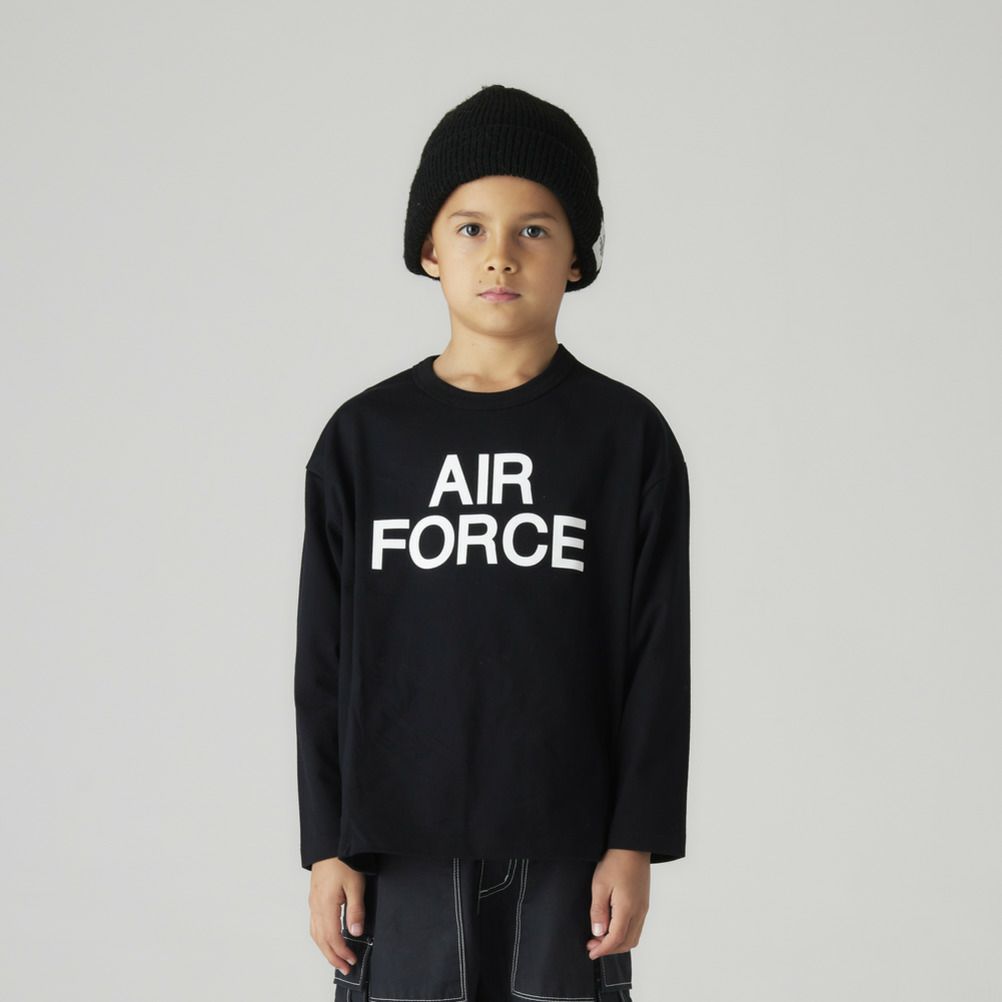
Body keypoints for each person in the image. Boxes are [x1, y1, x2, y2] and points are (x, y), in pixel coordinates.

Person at [294, 83, 691, 1002]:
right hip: (396, 846)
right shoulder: (365, 439)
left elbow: (656, 655)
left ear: (577, 258)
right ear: (429, 249)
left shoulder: (624, 438)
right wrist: (325, 844)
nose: (501, 254)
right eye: (471, 227)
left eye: (534, 230)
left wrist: (633, 841)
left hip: (569, 844)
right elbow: (323, 658)